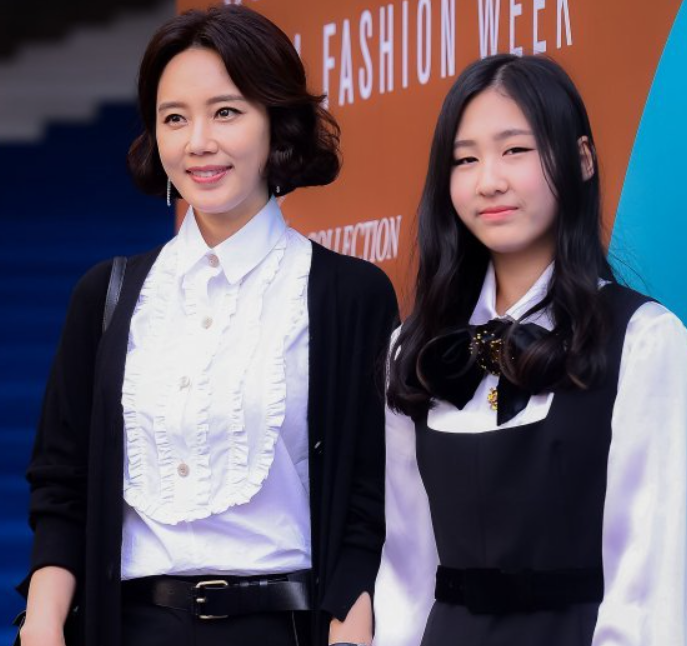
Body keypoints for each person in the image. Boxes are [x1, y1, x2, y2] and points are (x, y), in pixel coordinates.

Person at [17, 6, 398, 646]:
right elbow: (61, 488)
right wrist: (43, 625)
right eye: (174, 118)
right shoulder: (105, 295)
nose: (198, 142)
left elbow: (369, 505)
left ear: (276, 122)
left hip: (283, 629)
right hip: (128, 628)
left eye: (225, 112)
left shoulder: (349, 295)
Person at [373, 53, 687, 646]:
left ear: (582, 159)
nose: (489, 180)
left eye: (515, 150)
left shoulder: (644, 339)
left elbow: (648, 582)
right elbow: (405, 570)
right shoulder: (411, 351)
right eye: (465, 159)